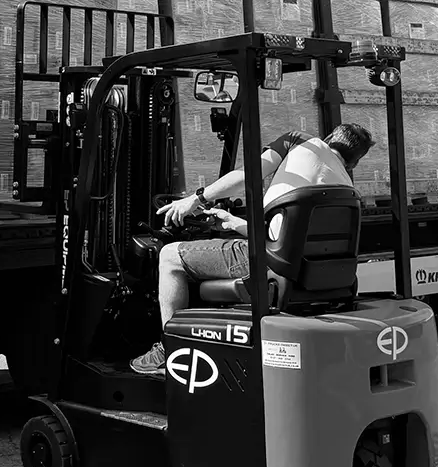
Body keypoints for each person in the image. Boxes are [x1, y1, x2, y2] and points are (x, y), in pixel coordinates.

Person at [129, 123, 374, 376]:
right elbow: (285, 239)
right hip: (308, 272)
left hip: (267, 264)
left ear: (329, 137)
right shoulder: (345, 187)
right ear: (354, 162)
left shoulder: (298, 140)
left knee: (170, 256)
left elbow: (247, 176)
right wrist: (232, 222)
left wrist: (195, 199)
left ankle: (171, 349)